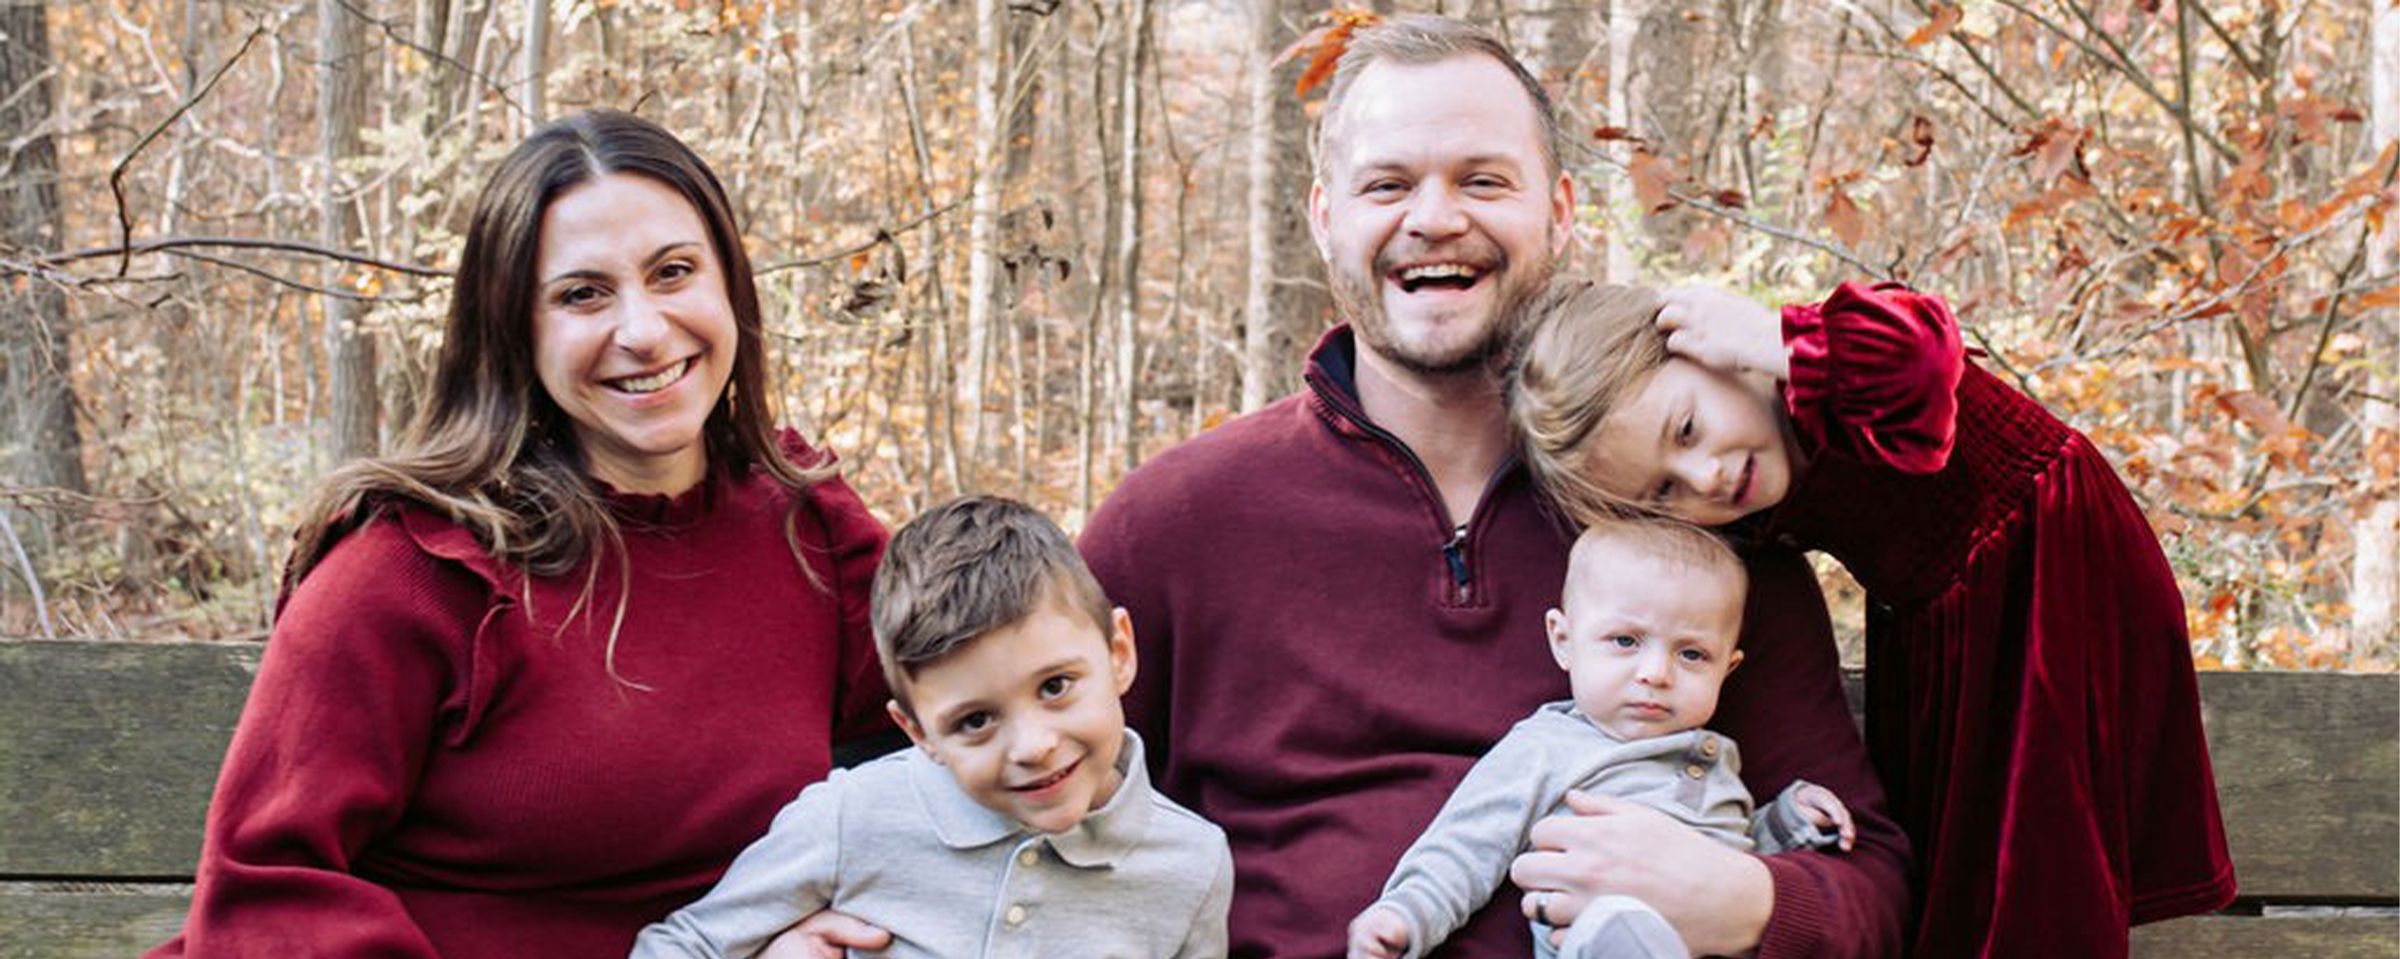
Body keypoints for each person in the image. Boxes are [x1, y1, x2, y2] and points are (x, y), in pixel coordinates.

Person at [1072, 15, 1912, 959]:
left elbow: (1869, 881)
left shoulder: (1690, 530)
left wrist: (1745, 896)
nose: (1434, 218)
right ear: (1323, 217)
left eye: (1482, 180)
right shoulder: (1177, 527)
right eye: (1388, 184)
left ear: (1558, 210)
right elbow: (1010, 788)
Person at [147, 110, 893, 959]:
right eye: (583, 293)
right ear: (515, 330)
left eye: (674, 271)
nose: (644, 331)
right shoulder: (414, 570)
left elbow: (994, 716)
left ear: (730, 285)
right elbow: (267, 891)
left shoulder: (809, 531)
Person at [1506, 279, 2237, 957]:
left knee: (2039, 863)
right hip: (1945, 632)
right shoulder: (1748, 511)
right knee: (1970, 873)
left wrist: (1776, 340)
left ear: (1713, 354)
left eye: (1690, 426)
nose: (1707, 475)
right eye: (1663, 493)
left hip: (2047, 579)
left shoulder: (1832, 362)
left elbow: (1926, 359)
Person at [631, 495, 1233, 958]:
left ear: (1119, 652)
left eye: (1055, 687)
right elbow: (685, 945)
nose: (1034, 746)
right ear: (917, 731)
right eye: (975, 721)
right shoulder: (853, 817)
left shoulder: (1191, 865)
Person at [1348, 518, 1854, 959]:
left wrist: (1789, 821)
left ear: (1729, 667)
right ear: (1563, 641)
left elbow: (1731, 856)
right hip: (1594, 932)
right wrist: (1405, 913)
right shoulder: (1548, 746)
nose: (1655, 673)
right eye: (1625, 641)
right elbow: (1469, 844)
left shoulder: (1713, 755)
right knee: (1617, 925)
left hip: (1710, 936)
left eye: (1693, 655)